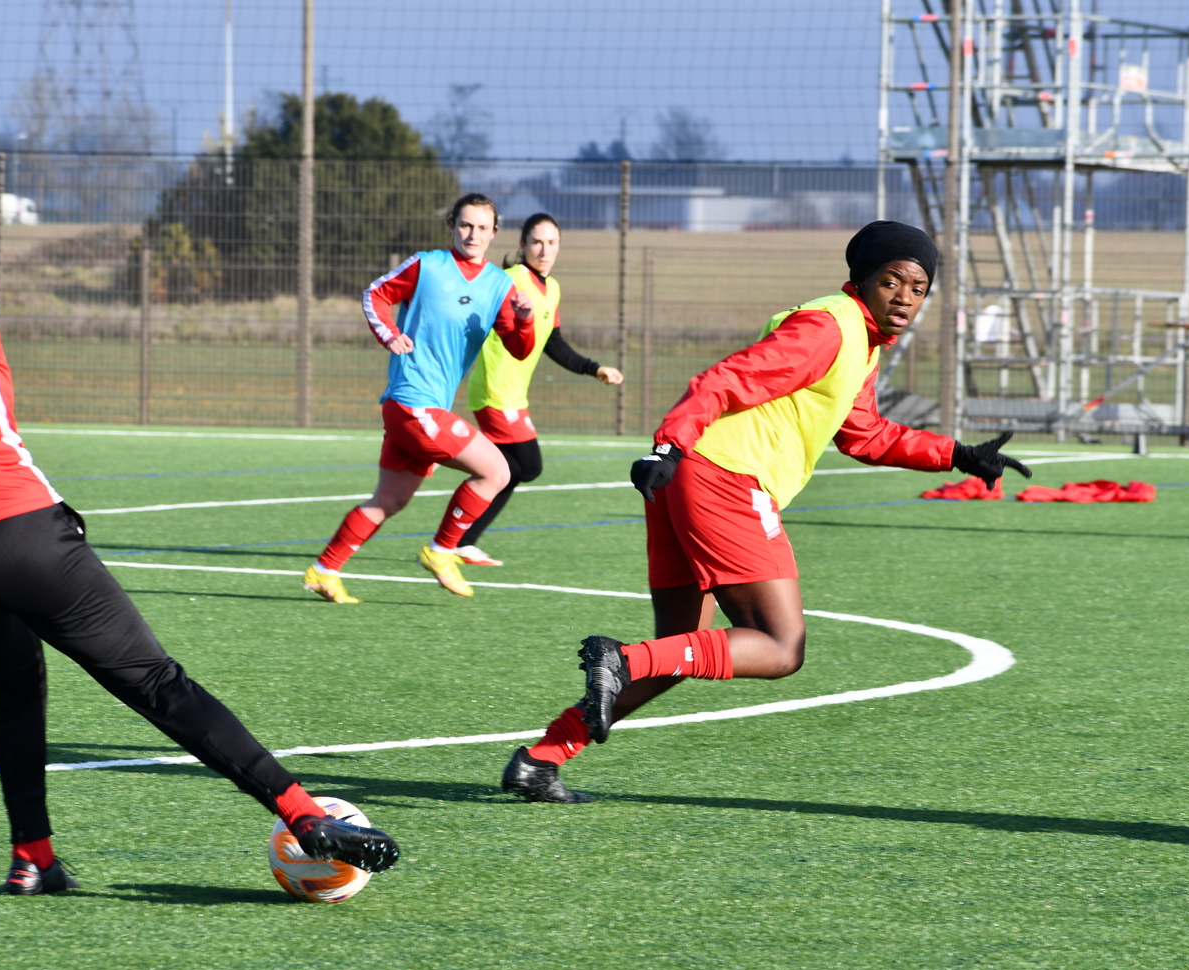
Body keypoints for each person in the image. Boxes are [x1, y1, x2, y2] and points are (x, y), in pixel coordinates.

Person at [0, 141, 399, 893]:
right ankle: (306, 815)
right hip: (17, 534)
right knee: (157, 682)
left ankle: (32, 858)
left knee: (15, 680)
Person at [500, 220, 1033, 802]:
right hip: (723, 480)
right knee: (780, 646)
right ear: (863, 279)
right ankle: (619, 659)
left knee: (684, 649)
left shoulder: (859, 338)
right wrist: (668, 442)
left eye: (918, 288)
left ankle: (541, 759)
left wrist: (955, 453)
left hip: (691, 478)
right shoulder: (830, 328)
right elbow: (725, 379)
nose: (905, 297)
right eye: (892, 281)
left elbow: (864, 434)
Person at [302, 193, 536, 602]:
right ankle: (442, 551)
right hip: (412, 403)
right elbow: (374, 294)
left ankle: (324, 570)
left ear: (494, 233)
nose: (473, 234)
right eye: (465, 225)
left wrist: (524, 318)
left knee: (388, 501)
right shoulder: (428, 265)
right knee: (497, 471)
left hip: (424, 408)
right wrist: (390, 335)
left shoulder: (501, 286)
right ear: (451, 225)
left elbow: (518, 348)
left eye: (482, 228)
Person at [453, 213, 624, 567]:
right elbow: (470, 311)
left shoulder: (553, 288)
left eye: (551, 242)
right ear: (522, 246)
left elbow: (554, 343)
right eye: (537, 242)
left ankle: (461, 538)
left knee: (511, 470)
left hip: (515, 395)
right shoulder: (509, 280)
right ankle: (457, 533)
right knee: (524, 467)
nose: (544, 250)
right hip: (494, 391)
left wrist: (595, 369)